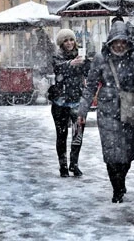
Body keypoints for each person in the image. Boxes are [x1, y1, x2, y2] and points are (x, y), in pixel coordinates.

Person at [77, 21, 134, 203]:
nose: (120, 45)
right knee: (112, 152)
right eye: (116, 41)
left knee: (129, 152)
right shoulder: (101, 59)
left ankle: (121, 179)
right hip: (107, 110)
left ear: (127, 42)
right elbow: (90, 86)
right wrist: (82, 110)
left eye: (123, 41)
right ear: (110, 42)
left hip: (130, 107)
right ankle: (117, 188)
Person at [50, 28, 91, 178]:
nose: (69, 43)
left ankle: (74, 163)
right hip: (60, 102)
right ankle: (63, 166)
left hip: (77, 102)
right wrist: (71, 64)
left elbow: (89, 72)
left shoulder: (81, 56)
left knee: (78, 134)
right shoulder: (57, 56)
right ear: (61, 43)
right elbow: (59, 68)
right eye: (65, 40)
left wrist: (86, 63)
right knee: (61, 135)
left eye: (71, 39)